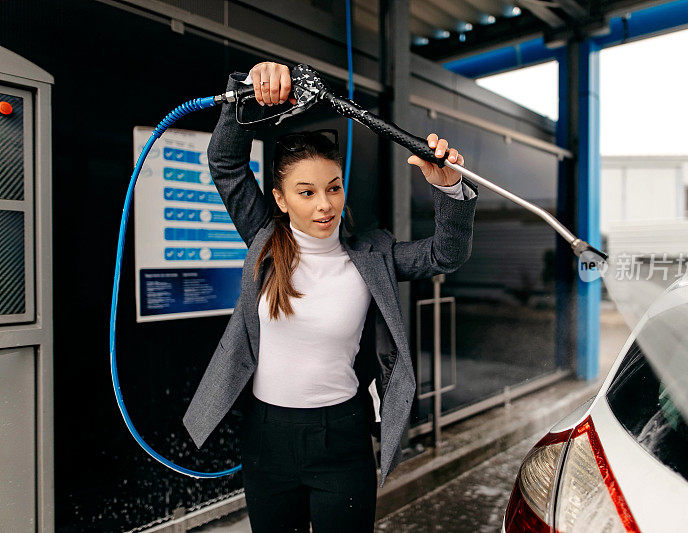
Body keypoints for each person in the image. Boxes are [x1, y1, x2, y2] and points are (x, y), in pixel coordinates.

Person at [182, 61, 478, 532]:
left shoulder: (372, 255)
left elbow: (446, 254)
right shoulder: (263, 240)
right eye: (306, 192)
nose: (324, 204)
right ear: (280, 199)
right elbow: (225, 163)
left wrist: (449, 188)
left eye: (333, 188)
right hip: (267, 434)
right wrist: (249, 94)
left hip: (342, 436)